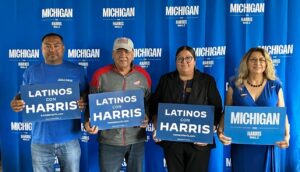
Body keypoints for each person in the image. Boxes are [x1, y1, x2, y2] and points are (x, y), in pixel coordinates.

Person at [10, 33, 88, 172]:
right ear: (42, 49)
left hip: (69, 138)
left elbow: (85, 93)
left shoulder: (77, 70)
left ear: (63, 48)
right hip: (40, 139)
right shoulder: (31, 72)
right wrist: (16, 101)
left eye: (56, 46)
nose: (52, 49)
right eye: (48, 46)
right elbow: (22, 95)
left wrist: (83, 99)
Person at [150, 46, 223, 172]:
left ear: (195, 61)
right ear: (176, 62)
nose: (184, 62)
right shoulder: (166, 80)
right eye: (180, 59)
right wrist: (158, 127)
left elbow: (216, 109)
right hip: (172, 141)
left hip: (199, 143)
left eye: (188, 58)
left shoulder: (207, 81)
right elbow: (154, 107)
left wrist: (208, 132)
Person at [84, 37, 151, 172]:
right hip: (109, 141)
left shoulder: (143, 75)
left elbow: (148, 102)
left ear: (133, 54)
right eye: (119, 51)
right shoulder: (100, 75)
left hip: (136, 139)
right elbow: (91, 103)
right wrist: (87, 121)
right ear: (113, 54)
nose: (123, 55)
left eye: (126, 52)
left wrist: (147, 116)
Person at [217, 47, 290, 172]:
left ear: (267, 63)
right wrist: (220, 132)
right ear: (246, 62)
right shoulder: (235, 85)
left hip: (267, 144)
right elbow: (226, 112)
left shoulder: (275, 85)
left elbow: (282, 114)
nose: (258, 63)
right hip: (242, 145)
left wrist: (287, 135)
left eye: (262, 60)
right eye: (253, 59)